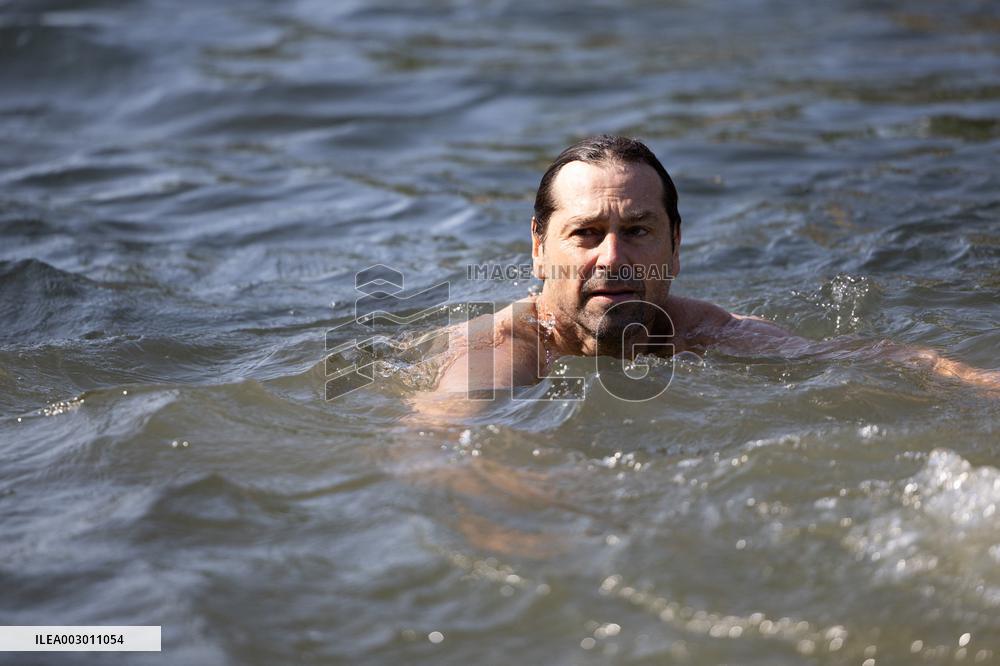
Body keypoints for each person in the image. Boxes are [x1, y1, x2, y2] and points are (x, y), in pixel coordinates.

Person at [415, 135, 999, 412]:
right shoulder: (503, 350)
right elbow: (443, 436)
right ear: (539, 249)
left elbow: (857, 357)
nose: (613, 258)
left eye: (638, 231)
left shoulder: (699, 329)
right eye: (586, 233)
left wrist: (974, 379)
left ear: (675, 247)